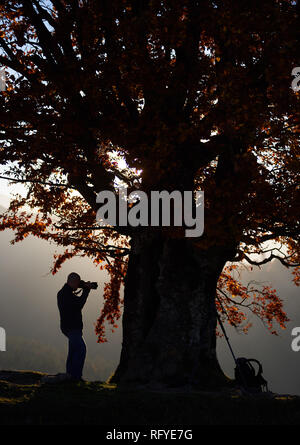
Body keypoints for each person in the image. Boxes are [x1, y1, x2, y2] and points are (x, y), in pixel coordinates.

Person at [57, 272, 94, 382]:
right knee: (81, 349)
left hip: (70, 327)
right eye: (78, 282)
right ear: (72, 282)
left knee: (73, 351)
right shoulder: (65, 294)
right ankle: (75, 376)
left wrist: (84, 287)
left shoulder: (65, 292)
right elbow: (79, 305)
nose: (78, 285)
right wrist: (86, 290)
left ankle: (70, 375)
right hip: (71, 327)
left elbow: (76, 303)